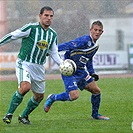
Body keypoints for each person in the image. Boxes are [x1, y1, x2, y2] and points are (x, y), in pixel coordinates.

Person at [1, 6, 62, 124]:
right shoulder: (31, 28)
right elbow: (12, 35)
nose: (49, 18)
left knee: (39, 96)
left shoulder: (52, 34)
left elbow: (54, 53)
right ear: (40, 16)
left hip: (39, 67)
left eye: (51, 16)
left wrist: (62, 64)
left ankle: (23, 116)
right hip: (24, 63)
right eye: (46, 15)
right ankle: (9, 114)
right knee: (25, 87)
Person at [44, 20, 110, 120]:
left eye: (99, 30)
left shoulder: (95, 46)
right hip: (69, 70)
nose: (97, 32)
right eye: (95, 30)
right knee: (74, 96)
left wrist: (92, 72)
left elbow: (89, 59)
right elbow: (68, 45)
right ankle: (53, 98)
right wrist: (53, 51)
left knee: (96, 91)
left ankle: (95, 115)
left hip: (81, 71)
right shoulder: (84, 40)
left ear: (102, 32)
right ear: (90, 30)